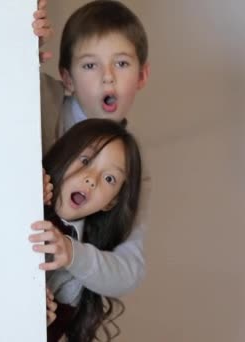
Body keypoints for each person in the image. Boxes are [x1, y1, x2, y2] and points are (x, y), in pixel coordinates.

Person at [31, 0, 152, 300]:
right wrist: (23, 42)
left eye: (121, 63)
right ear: (68, 78)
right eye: (90, 65)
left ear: (142, 77)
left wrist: (73, 254)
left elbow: (129, 270)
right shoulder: (44, 102)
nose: (107, 76)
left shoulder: (129, 167)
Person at [31, 118, 142, 341]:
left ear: (111, 202)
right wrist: (25, 190)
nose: (92, 180)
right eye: (86, 160)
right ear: (65, 153)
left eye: (109, 178)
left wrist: (38, 322)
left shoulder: (75, 277)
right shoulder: (33, 184)